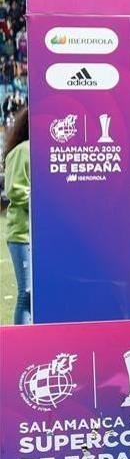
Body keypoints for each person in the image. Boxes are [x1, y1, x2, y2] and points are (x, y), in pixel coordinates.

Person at [3, 107, 30, 324]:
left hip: (36, 235)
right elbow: (16, 190)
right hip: (22, 235)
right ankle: (25, 343)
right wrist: (45, 207)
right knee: (27, 294)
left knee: (35, 295)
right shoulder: (23, 150)